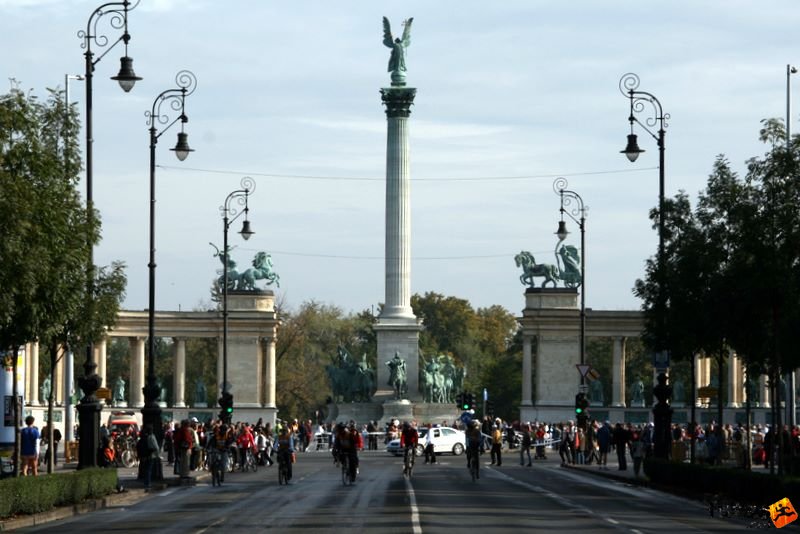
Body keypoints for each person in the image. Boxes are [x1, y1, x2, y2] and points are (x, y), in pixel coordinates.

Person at [138, 424, 160, 490]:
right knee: (149, 469)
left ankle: (145, 482)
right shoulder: (151, 437)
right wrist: (157, 453)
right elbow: (156, 447)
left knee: (145, 469)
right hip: (150, 455)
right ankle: (147, 482)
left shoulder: (143, 437)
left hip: (143, 455)